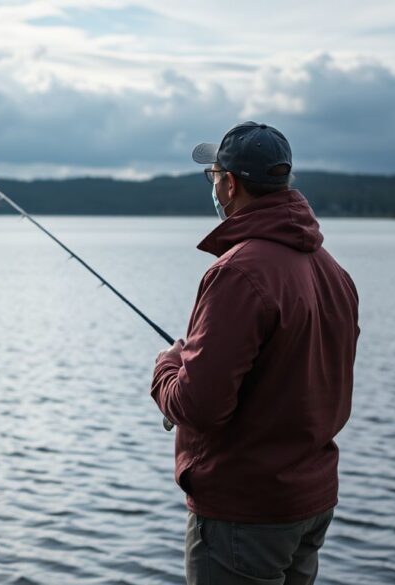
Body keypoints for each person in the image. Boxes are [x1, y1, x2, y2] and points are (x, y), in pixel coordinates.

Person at [150, 122, 360, 585]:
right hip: (308, 503)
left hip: (244, 514)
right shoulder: (333, 272)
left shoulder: (239, 273)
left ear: (230, 184)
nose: (214, 186)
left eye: (214, 176)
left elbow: (199, 406)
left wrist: (167, 368)